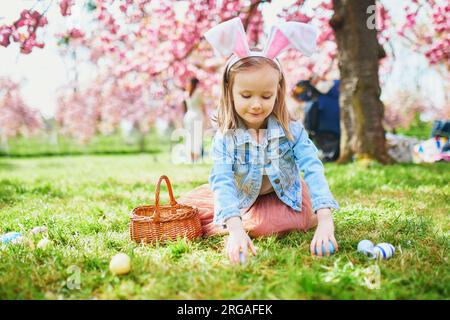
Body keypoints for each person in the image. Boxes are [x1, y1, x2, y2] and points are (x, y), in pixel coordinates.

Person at [177, 18, 339, 264]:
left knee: (267, 225)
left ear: (278, 92)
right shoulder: (225, 137)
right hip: (244, 196)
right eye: (246, 95)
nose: (256, 104)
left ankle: (285, 218)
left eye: (266, 95)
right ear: (229, 92)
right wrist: (235, 230)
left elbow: (312, 168)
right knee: (192, 211)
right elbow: (222, 180)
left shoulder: (291, 130)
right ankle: (240, 221)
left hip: (283, 195)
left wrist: (326, 221)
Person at [292, 78, 341, 162]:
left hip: (323, 129)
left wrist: (310, 129)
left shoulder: (314, 97)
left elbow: (310, 119)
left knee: (327, 151)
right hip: (336, 128)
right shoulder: (336, 89)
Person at [183, 77, 207, 163]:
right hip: (197, 116)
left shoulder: (187, 93)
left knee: (190, 136)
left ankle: (190, 158)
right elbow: (203, 106)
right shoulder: (199, 92)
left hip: (188, 116)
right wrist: (206, 117)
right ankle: (195, 158)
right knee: (197, 137)